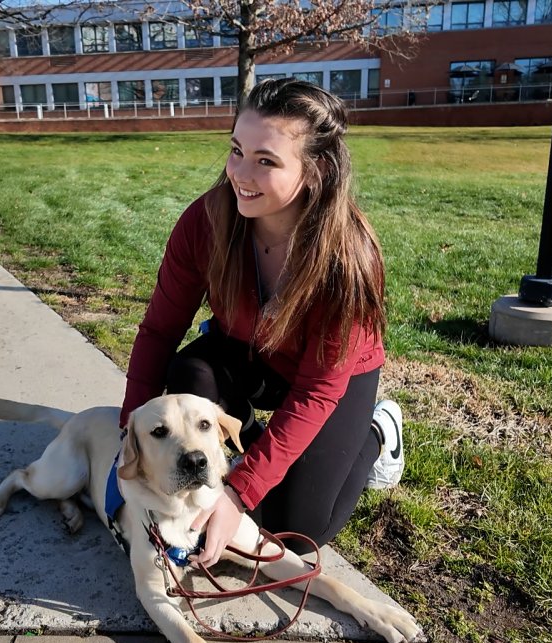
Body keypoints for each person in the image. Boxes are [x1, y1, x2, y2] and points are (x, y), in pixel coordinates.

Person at [118, 78, 405, 567]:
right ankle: (244, 434)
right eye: (236, 151)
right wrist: (127, 430)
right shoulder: (205, 222)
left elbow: (316, 392)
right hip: (244, 351)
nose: (241, 174)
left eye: (266, 161)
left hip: (327, 379)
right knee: (188, 376)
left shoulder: (348, 256)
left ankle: (381, 431)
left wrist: (239, 494)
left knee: (294, 528)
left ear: (316, 170)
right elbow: (160, 332)